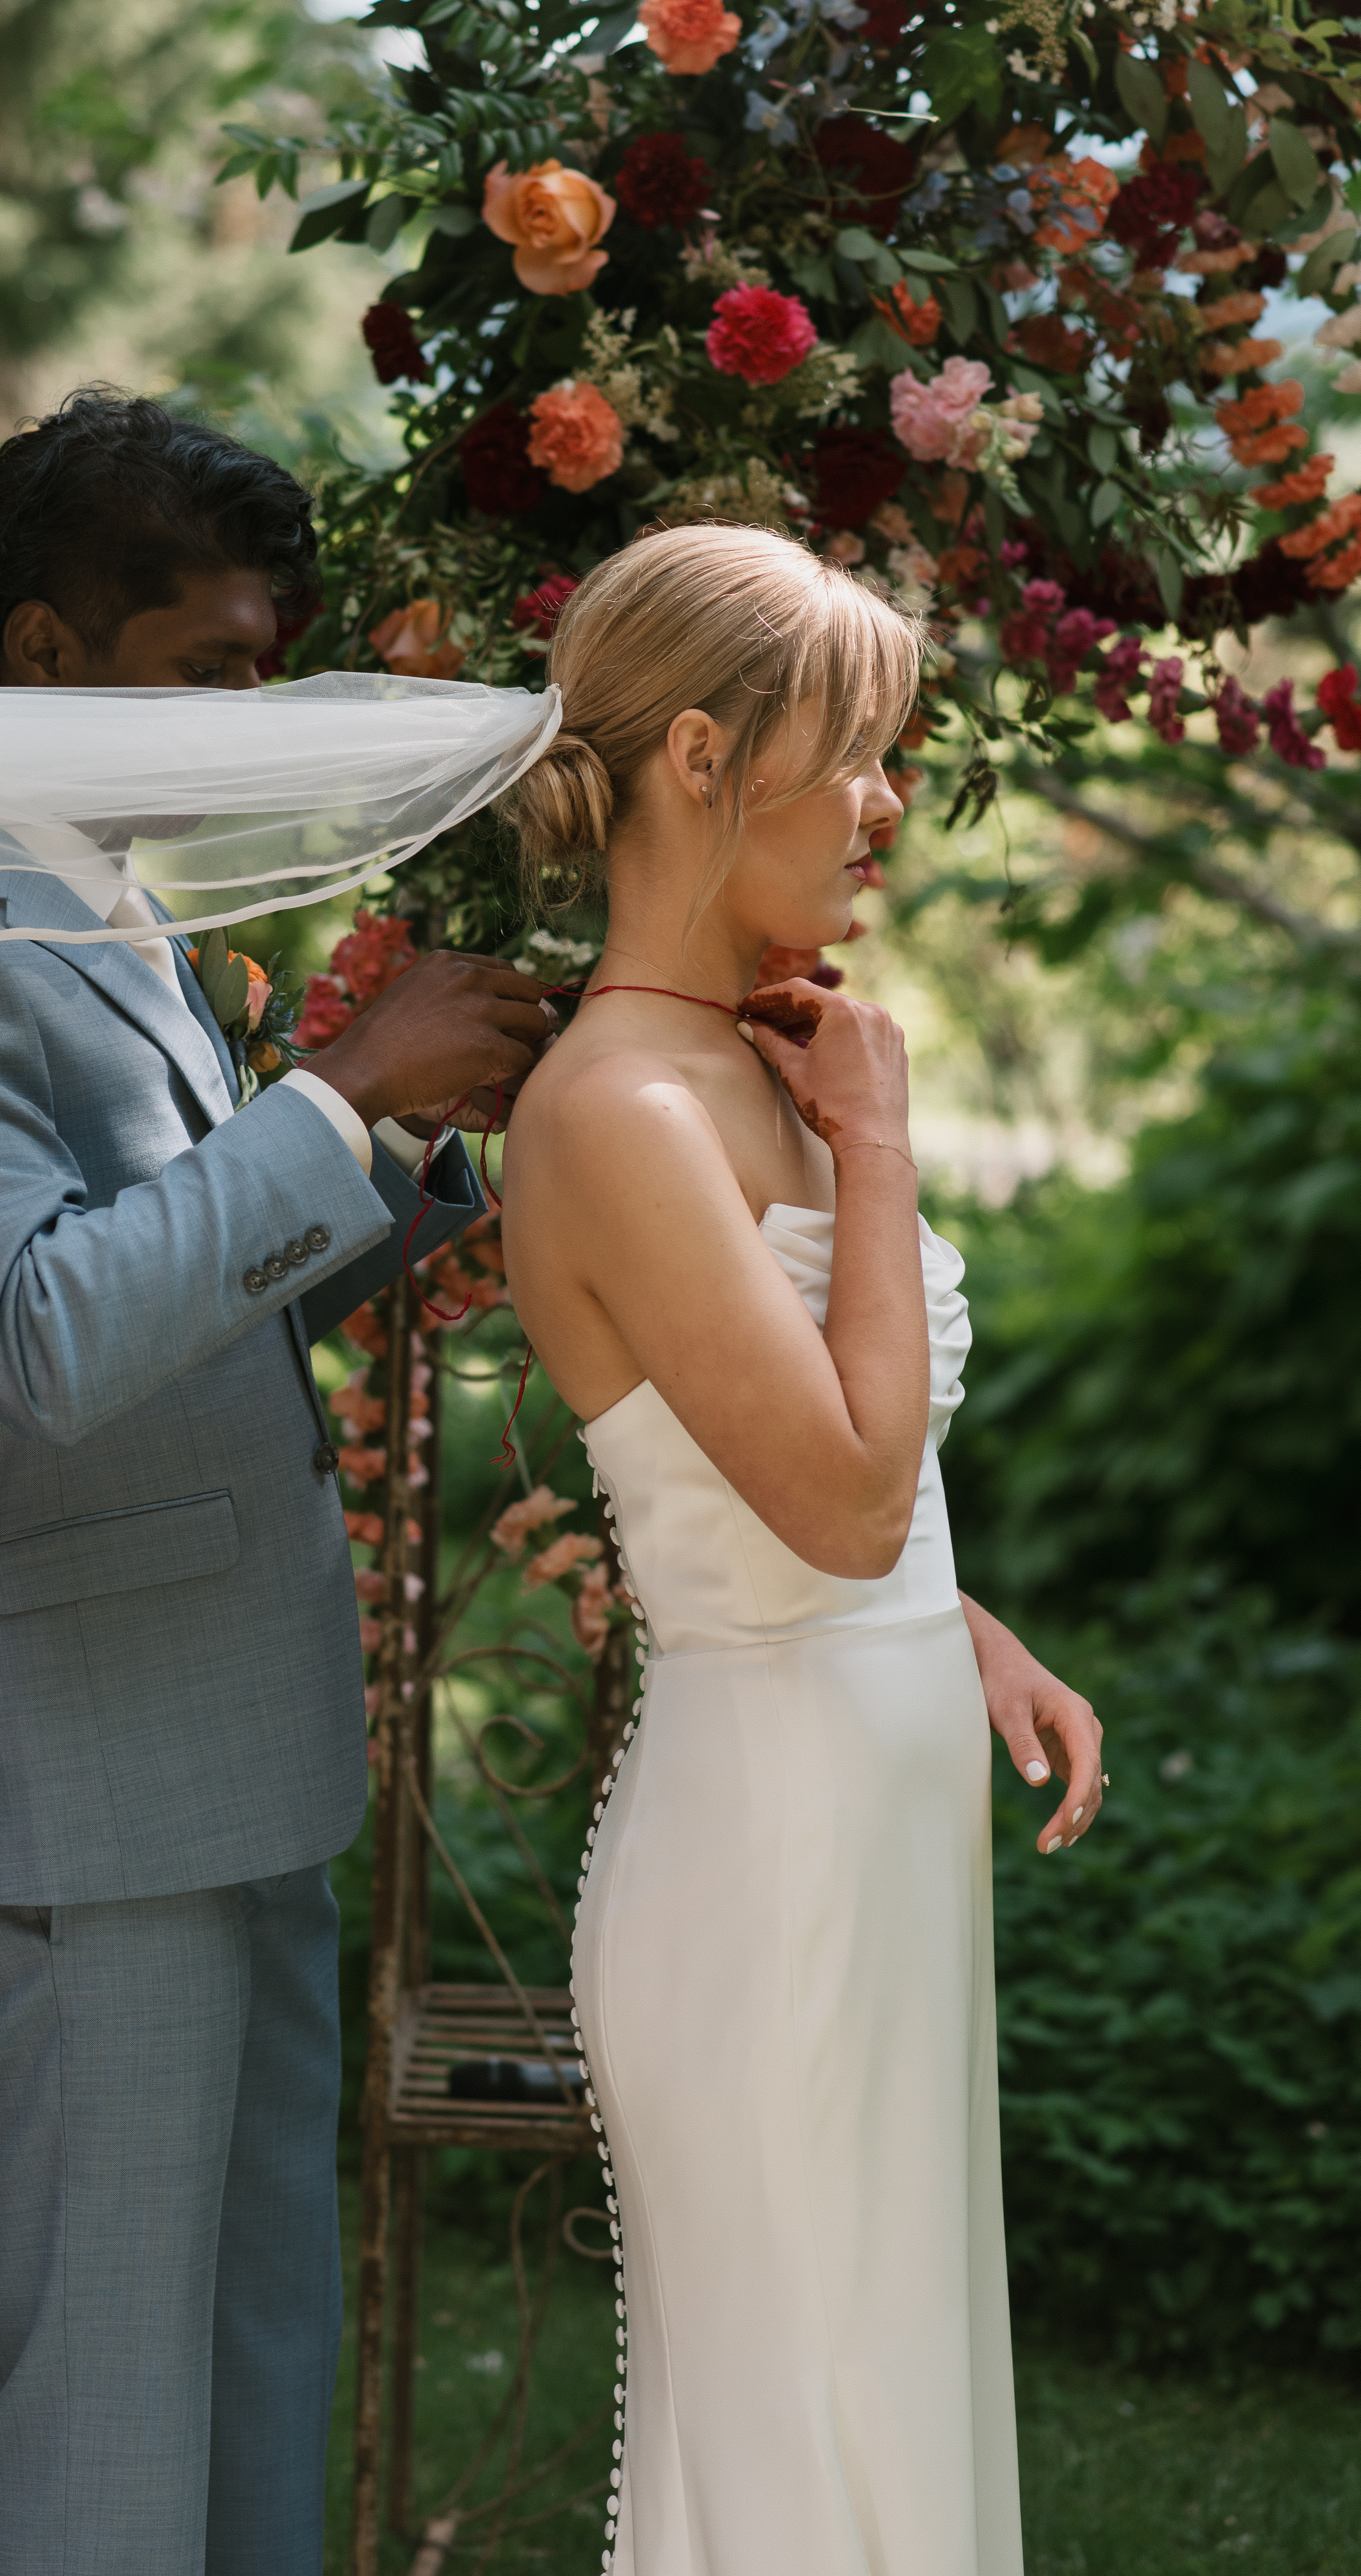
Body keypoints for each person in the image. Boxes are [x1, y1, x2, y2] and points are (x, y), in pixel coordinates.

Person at [0, 392, 553, 2576]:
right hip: (67, 1792)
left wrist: (416, 1155)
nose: (254, 712)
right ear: (40, 644)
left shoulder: (88, 899)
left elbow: (195, 1275)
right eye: (210, 664)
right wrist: (333, 1102)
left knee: (246, 2360)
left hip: (223, 1752)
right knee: (111, 2422)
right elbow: (49, 1333)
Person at [498, 524, 1105, 2576]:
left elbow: (804, 1484)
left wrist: (959, 1627)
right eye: (853, 751)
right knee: (789, 2430)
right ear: (695, 752)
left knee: (883, 2391)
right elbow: (837, 1496)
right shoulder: (616, 1112)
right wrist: (878, 1148)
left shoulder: (745, 1063)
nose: (885, 804)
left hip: (868, 1822)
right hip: (762, 1866)